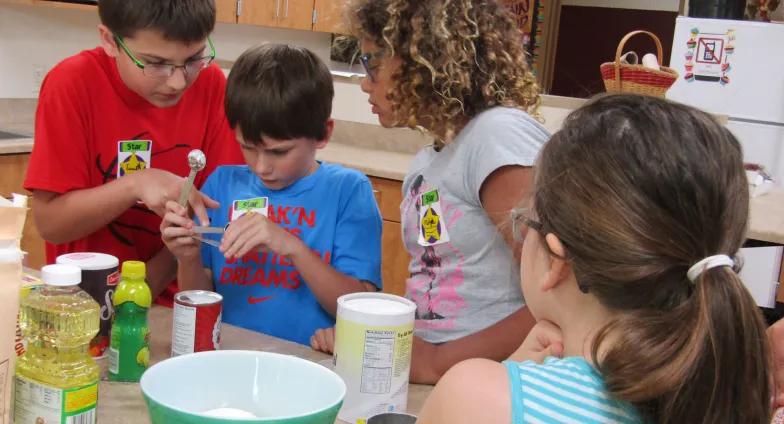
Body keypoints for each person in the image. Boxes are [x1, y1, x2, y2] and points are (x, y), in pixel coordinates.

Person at [416, 93, 773, 423]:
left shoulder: (473, 398)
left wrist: (508, 376)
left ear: (555, 260)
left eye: (525, 224)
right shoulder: (732, 397)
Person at [311, 0, 549, 384]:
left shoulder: (496, 137)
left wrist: (437, 362)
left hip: (489, 383)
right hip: (436, 377)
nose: (366, 83)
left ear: (423, 60)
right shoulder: (428, 163)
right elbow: (438, 275)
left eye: (373, 64)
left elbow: (559, 295)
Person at [23, 0, 244, 307]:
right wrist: (135, 184)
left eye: (193, 59)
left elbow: (214, 214)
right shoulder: (72, 83)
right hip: (85, 305)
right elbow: (51, 225)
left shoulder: (212, 85)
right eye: (156, 63)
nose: (178, 81)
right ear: (110, 40)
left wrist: (140, 290)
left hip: (179, 302)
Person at [160, 44, 383, 345]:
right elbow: (200, 305)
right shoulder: (221, 184)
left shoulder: (348, 191)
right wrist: (188, 260)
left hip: (308, 361)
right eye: (248, 148)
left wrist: (292, 247)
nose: (262, 167)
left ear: (323, 134)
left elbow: (361, 310)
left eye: (279, 152)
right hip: (229, 355)